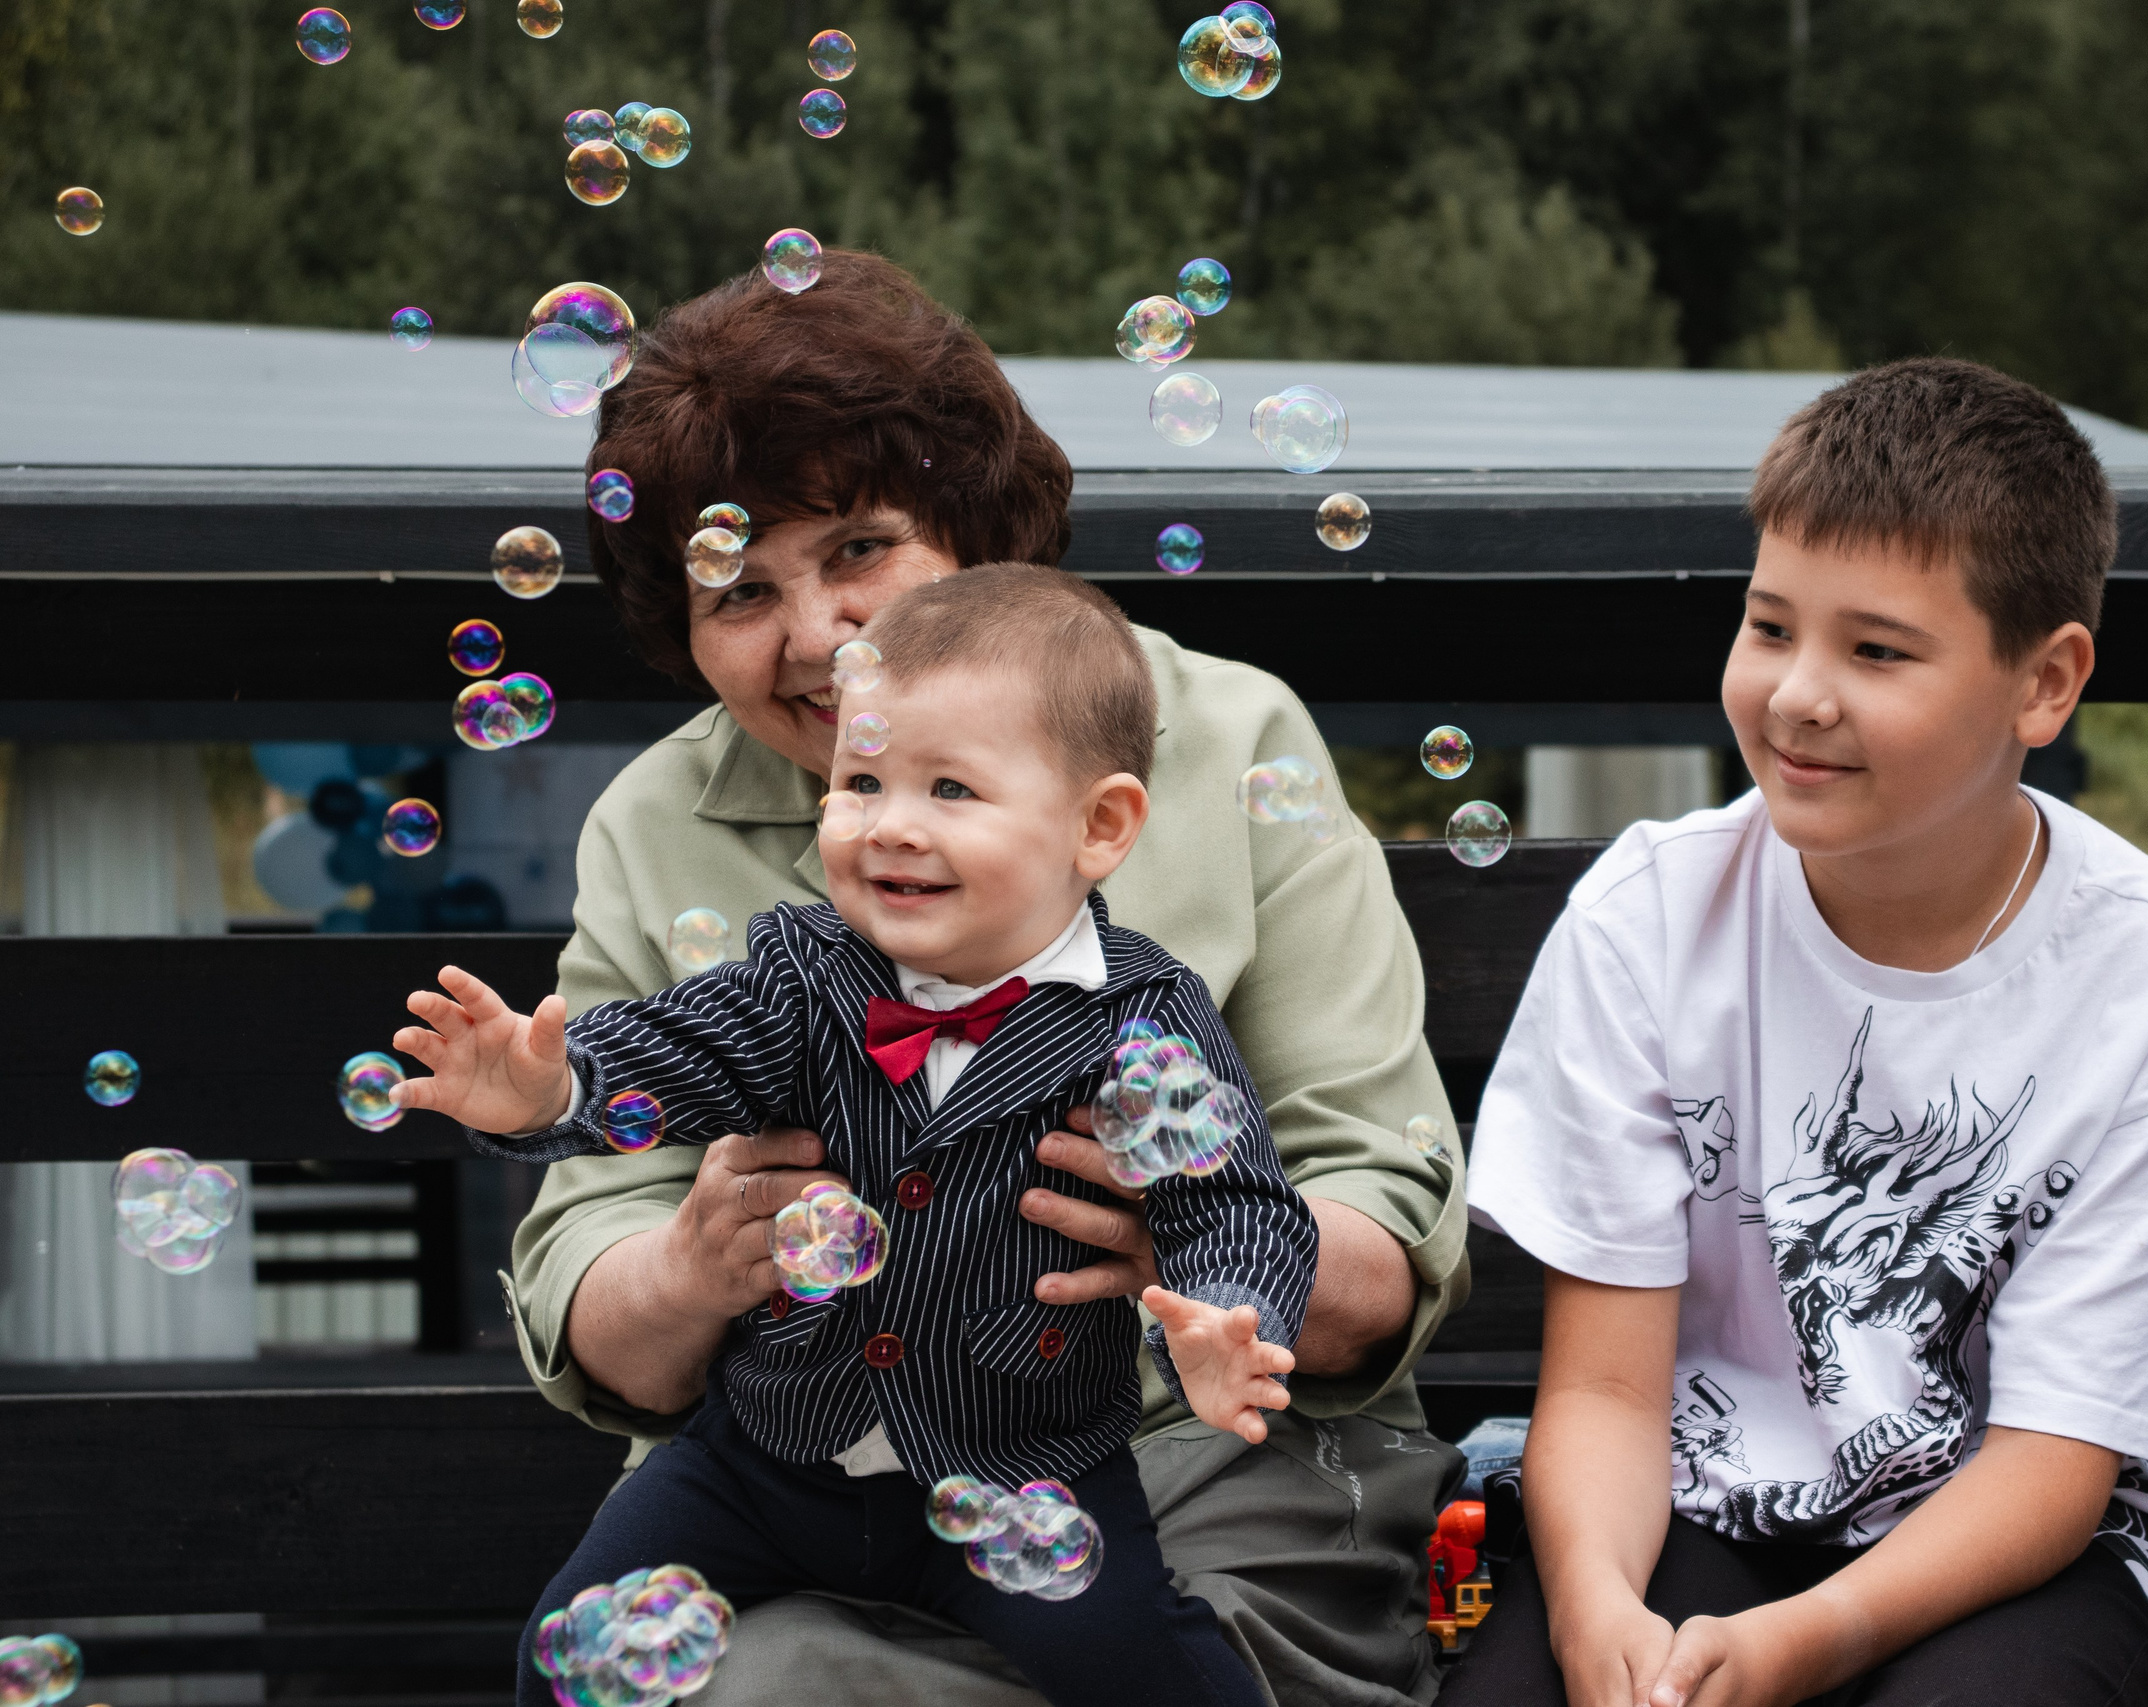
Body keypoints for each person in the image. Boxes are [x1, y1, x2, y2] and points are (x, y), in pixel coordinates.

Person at [499, 250, 1470, 1706]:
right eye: (740, 587)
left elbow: (1386, 1228)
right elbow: (595, 1298)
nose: (818, 634)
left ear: (977, 526)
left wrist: (1211, 1268)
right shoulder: (654, 820)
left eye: (857, 547)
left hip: (1203, 1457)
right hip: (806, 1489)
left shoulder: (1223, 734)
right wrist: (690, 1266)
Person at [1451, 358, 2148, 1707]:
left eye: (1877, 649)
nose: (1799, 693)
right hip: (1691, 1495)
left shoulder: (2143, 969)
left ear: (2043, 684)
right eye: (1770, 626)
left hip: (2026, 1542)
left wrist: (1810, 1639)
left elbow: (2055, 1463)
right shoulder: (1650, 918)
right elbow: (1608, 1394)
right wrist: (1594, 1612)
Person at [402, 568, 1316, 1707]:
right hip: (763, 1459)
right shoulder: (803, 975)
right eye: (862, 781)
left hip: (1024, 1475)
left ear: (1098, 826)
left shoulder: (1144, 1018)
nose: (891, 824)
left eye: (948, 788)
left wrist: (1233, 1315)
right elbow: (680, 1052)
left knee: (1151, 1675)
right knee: (573, 1649)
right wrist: (553, 1090)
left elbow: (1231, 1202)